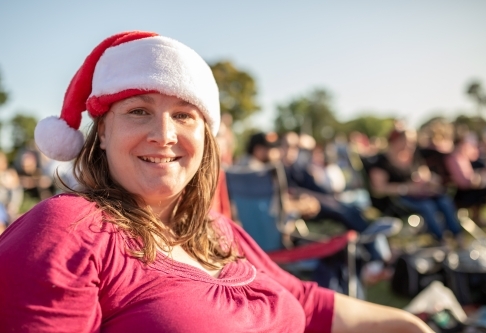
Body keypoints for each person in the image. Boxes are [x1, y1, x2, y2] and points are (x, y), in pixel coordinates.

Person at [0, 31, 432, 332]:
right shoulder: (65, 231)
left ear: (206, 138)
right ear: (103, 133)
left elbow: (305, 302)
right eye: (138, 111)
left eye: (184, 115)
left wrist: (406, 324)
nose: (164, 134)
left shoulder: (215, 230)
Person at [369, 128, 463, 246]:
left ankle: (457, 235)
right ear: (396, 141)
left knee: (444, 200)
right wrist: (406, 188)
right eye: (407, 141)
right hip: (398, 199)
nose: (411, 145)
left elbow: (425, 172)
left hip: (421, 193)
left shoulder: (414, 156)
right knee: (427, 206)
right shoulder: (381, 161)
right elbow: (378, 189)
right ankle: (440, 239)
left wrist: (428, 181)